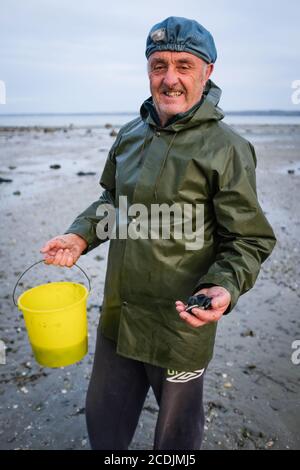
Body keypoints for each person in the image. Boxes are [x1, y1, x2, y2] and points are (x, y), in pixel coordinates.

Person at [40, 16, 277, 450]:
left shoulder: (228, 148)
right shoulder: (129, 136)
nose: (170, 79)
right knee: (104, 424)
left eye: (184, 66)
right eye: (158, 65)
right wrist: (80, 235)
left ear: (208, 72)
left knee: (176, 439)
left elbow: (249, 239)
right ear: (148, 70)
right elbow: (112, 203)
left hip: (181, 325)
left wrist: (223, 286)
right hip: (119, 316)